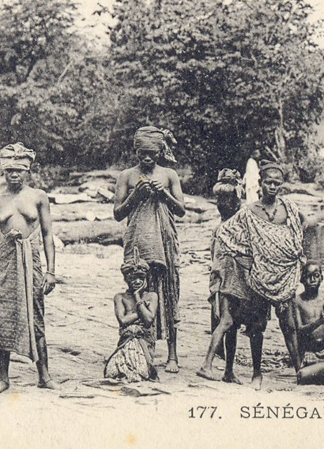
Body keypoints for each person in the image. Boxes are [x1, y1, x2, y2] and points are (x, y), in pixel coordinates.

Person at [198, 162, 305, 390]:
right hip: (257, 279)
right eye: (269, 182)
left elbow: (299, 228)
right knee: (257, 328)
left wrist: (294, 254)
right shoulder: (248, 212)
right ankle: (257, 374)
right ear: (260, 184)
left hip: (284, 276)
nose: (273, 186)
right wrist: (244, 262)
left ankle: (300, 371)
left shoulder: (289, 208)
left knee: (288, 324)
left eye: (277, 183)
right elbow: (224, 234)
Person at [0, 142, 57, 393]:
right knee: (1, 317)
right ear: (3, 172)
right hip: (3, 262)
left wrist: (50, 271)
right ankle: (3, 378)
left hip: (30, 261)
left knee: (35, 315)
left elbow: (47, 235)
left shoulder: (38, 197)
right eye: (9, 170)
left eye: (19, 170)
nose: (14, 175)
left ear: (28, 172)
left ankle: (44, 375)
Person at [113, 126, 186, 373]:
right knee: (138, 291)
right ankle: (142, 349)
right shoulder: (126, 176)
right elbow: (117, 213)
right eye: (142, 153)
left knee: (168, 293)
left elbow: (181, 209)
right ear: (136, 151)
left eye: (152, 154)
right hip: (137, 243)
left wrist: (163, 193)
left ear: (160, 152)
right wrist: (136, 195)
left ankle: (173, 355)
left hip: (164, 242)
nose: (147, 158)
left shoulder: (169, 174)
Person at [207, 168, 242, 370]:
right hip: (221, 280)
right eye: (219, 200)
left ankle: (228, 368)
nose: (221, 205)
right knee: (222, 320)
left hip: (236, 281)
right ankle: (215, 362)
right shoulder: (218, 228)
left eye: (226, 200)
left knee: (232, 325)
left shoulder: (240, 223)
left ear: (236, 201)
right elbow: (216, 259)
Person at [104, 260, 159, 383]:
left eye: (141, 278)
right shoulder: (120, 297)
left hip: (144, 340)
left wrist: (137, 297)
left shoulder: (152, 296)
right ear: (126, 279)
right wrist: (141, 310)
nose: (137, 281)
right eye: (133, 278)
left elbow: (149, 319)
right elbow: (123, 320)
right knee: (113, 371)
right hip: (126, 339)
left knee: (141, 372)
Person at [292, 261, 324, 384]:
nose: (312, 280)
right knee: (303, 376)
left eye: (316, 275)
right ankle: (321, 374)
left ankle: (322, 371)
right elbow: (299, 330)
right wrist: (319, 322)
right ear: (302, 279)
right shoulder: (298, 302)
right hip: (308, 353)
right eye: (308, 276)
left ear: (321, 278)